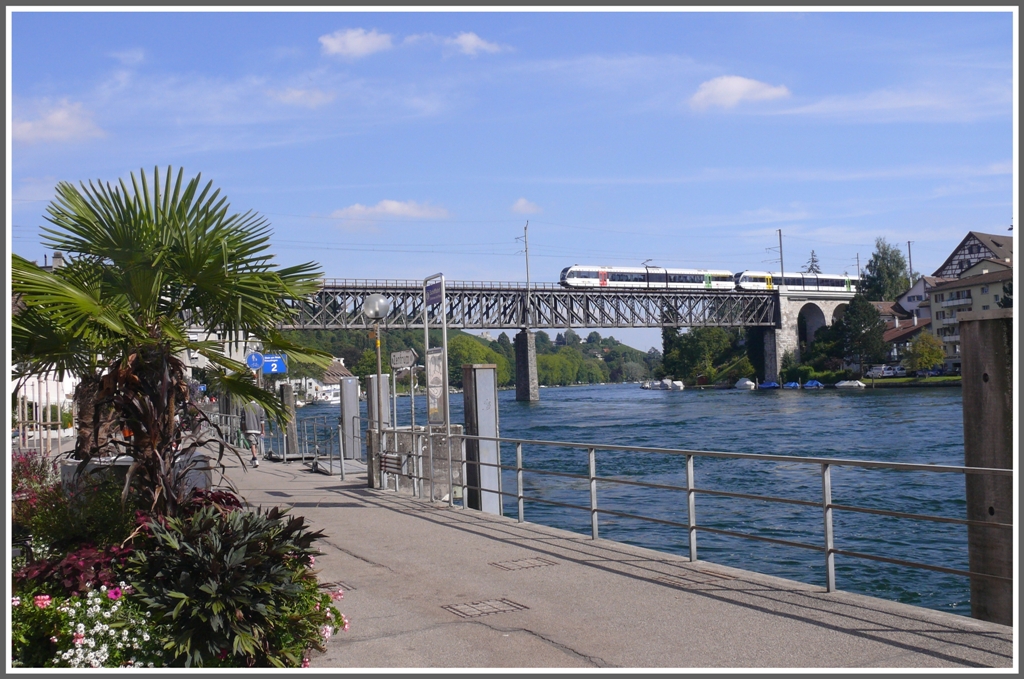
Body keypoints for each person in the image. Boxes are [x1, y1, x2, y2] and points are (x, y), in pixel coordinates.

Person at [242, 399, 265, 468]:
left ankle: (255, 459)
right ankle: (253, 458)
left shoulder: (245, 407)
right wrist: (263, 430)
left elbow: (243, 420)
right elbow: (262, 420)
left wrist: (243, 429)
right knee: (255, 443)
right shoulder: (259, 407)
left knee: (252, 443)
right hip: (257, 429)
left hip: (248, 428)